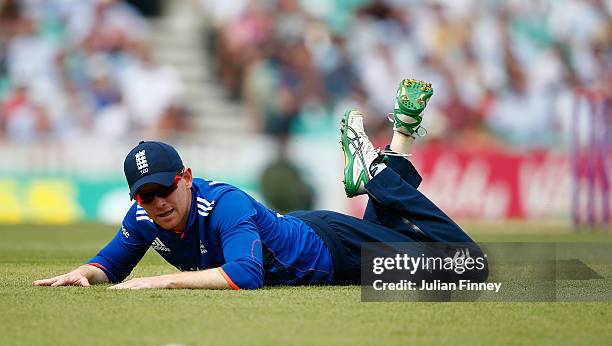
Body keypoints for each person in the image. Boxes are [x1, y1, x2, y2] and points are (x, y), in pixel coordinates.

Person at [34, 79, 487, 290]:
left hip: (332, 246)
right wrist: (84, 273)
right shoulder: (143, 218)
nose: (156, 203)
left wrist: (157, 284)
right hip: (337, 263)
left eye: (163, 189)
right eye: (144, 196)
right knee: (408, 241)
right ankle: (402, 136)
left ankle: (378, 172)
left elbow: (245, 276)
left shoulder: (225, 203)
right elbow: (109, 265)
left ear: (186, 179)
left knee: (468, 267)